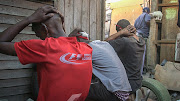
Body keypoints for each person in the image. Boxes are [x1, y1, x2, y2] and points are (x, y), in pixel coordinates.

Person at [0, 5, 93, 101]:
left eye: (39, 36)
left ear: (45, 29)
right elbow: (63, 47)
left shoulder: (46, 47)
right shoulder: (86, 48)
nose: (41, 40)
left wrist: (28, 19)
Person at [69, 29, 132, 101]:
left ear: (77, 42)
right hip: (123, 90)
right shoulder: (103, 44)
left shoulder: (86, 50)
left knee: (75, 89)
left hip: (114, 92)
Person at [106, 19, 146, 95]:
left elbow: (104, 44)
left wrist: (121, 32)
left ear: (122, 30)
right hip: (137, 80)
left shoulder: (125, 42)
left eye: (118, 32)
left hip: (127, 83)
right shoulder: (141, 41)